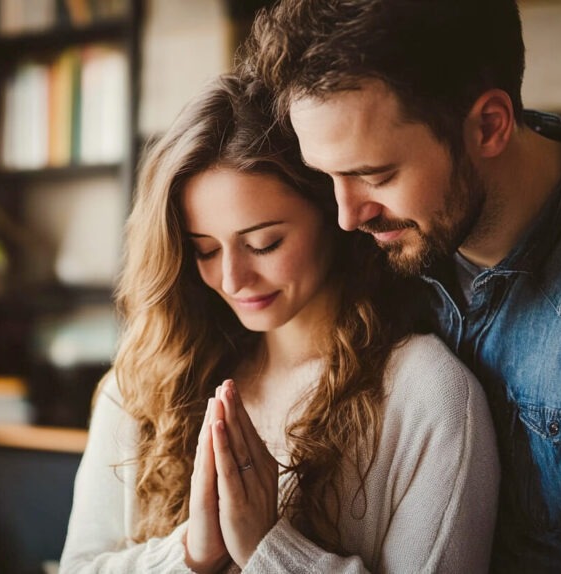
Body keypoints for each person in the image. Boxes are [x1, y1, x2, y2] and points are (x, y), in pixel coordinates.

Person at [240, 0, 561, 572]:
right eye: (326, 176)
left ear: (489, 126)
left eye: (374, 175)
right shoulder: (370, 251)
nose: (347, 216)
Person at [58, 74, 499, 573]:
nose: (232, 279)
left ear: (334, 214)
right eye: (204, 250)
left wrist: (268, 549)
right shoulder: (144, 382)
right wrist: (192, 554)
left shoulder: (427, 395)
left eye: (264, 243)